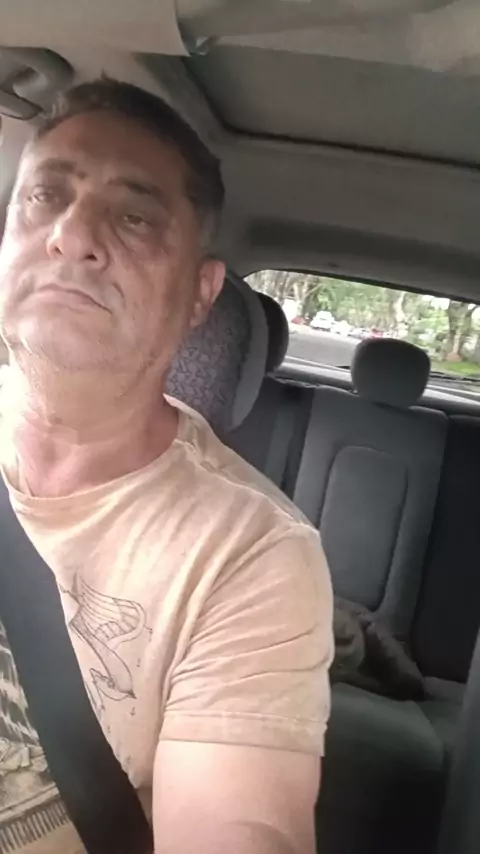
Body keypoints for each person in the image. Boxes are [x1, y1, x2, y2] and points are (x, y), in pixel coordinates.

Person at [0, 78, 333, 854]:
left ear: (200, 294)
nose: (71, 235)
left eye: (134, 217)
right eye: (45, 196)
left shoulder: (252, 555)